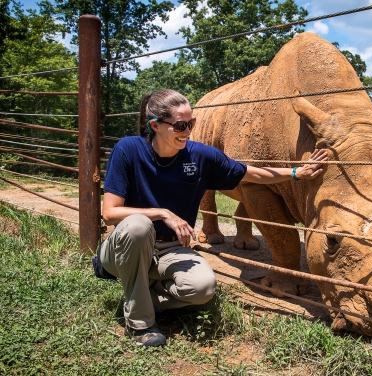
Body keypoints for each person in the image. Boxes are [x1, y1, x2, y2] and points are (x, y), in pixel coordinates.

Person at [100, 89, 328, 347]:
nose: (188, 131)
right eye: (180, 126)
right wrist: (162, 213)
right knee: (139, 226)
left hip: (171, 248)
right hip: (126, 245)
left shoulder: (200, 156)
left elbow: (252, 174)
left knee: (203, 289)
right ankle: (141, 324)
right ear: (155, 125)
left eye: (192, 124)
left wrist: (297, 173)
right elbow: (109, 213)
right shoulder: (128, 149)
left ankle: (140, 295)